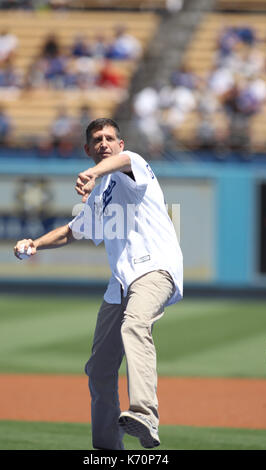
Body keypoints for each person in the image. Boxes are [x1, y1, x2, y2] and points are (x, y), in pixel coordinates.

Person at [13, 118, 183, 450]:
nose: (104, 142)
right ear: (88, 149)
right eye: (96, 139)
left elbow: (125, 161)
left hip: (155, 270)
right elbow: (71, 232)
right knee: (100, 369)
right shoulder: (99, 194)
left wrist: (94, 172)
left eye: (110, 137)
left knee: (134, 326)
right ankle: (107, 449)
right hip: (120, 284)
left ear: (121, 143)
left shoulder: (134, 166)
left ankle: (145, 413)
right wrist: (35, 243)